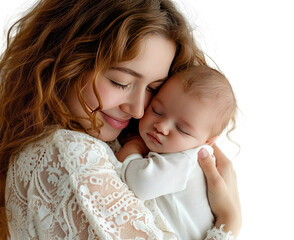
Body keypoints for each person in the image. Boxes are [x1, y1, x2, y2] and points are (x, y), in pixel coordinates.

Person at [0, 0, 241, 239]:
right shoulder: (70, 154)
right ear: (66, 61)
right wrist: (229, 223)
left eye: (153, 89)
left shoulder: (93, 145)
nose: (137, 110)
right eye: (120, 82)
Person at [116, 65, 237, 240]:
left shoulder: (188, 159)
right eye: (156, 110)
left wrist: (133, 147)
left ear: (207, 142)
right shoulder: (177, 149)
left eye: (182, 129)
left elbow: (140, 183)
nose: (162, 127)